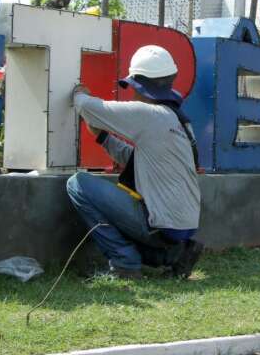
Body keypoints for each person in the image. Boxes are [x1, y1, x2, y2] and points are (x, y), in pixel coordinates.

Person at [66, 45, 202, 280]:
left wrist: (78, 92)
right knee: (132, 209)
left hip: (160, 224)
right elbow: (140, 161)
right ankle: (173, 255)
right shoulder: (180, 121)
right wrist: (103, 137)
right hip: (181, 227)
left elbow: (89, 108)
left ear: (140, 85)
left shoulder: (150, 114)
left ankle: (124, 263)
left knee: (78, 184)